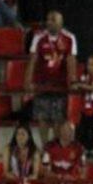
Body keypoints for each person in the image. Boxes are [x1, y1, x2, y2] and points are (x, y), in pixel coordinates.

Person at [25, 10, 78, 144]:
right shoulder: (39, 37)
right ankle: (44, 146)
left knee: (57, 119)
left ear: (61, 22)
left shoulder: (69, 38)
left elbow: (71, 61)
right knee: (42, 118)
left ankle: (54, 145)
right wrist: (28, 82)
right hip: (42, 83)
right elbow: (32, 60)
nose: (49, 22)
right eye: (48, 19)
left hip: (60, 85)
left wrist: (72, 81)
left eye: (53, 20)